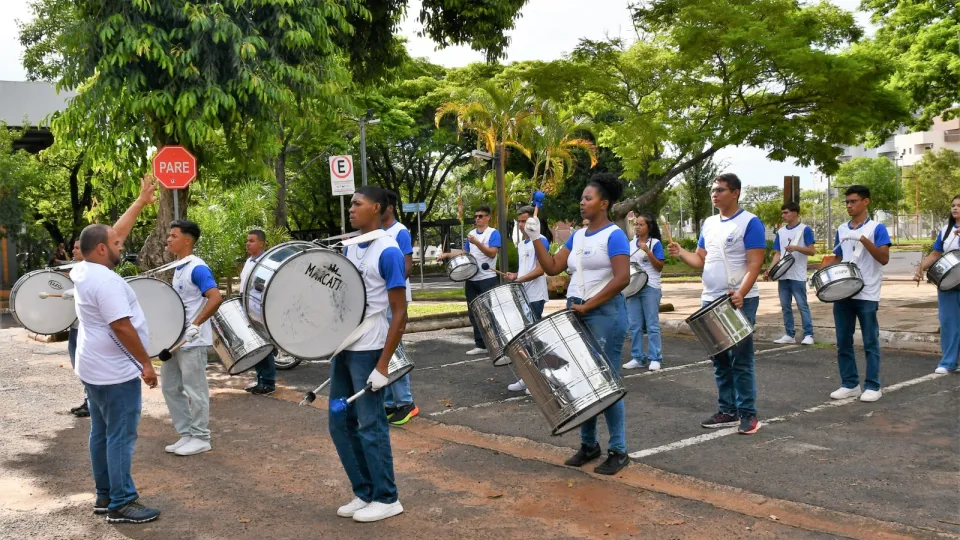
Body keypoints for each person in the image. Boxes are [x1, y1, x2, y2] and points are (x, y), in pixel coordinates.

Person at [525, 173, 631, 475]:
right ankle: (588, 445)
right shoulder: (579, 235)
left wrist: (589, 305)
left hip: (605, 313)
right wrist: (536, 238)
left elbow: (622, 278)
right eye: (582, 198)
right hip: (577, 311)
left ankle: (618, 449)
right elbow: (553, 267)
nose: (582, 203)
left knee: (605, 382)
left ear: (604, 203)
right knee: (583, 380)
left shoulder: (615, 235)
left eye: (588, 198)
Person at [69, 173, 161, 523]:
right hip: (114, 371)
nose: (122, 244)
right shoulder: (105, 280)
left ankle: (104, 495)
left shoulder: (84, 268)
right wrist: (147, 364)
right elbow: (121, 326)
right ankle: (121, 502)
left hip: (93, 366)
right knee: (121, 436)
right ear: (103, 250)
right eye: (117, 244)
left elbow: (113, 233)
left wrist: (139, 203)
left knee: (102, 432)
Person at [331, 185, 407, 523]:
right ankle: (364, 492)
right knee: (339, 421)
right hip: (345, 348)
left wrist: (383, 365)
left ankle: (387, 497)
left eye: (357, 204)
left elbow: (399, 312)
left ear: (377, 208)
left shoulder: (388, 252)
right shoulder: (350, 249)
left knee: (371, 424)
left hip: (369, 349)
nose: (351, 209)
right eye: (350, 204)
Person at [668, 173, 765, 435]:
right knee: (719, 359)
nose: (715, 194)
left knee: (741, 360)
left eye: (720, 190)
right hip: (710, 299)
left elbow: (755, 263)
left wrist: (741, 293)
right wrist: (681, 253)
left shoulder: (750, 223)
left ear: (735, 193)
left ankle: (748, 414)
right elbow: (700, 259)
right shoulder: (709, 223)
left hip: (737, 300)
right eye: (713, 189)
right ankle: (727, 410)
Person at [820, 185, 891, 402]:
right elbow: (839, 256)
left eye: (854, 201)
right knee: (843, 340)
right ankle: (850, 384)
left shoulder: (877, 228)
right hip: (843, 291)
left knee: (870, 340)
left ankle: (873, 386)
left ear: (866, 202)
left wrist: (862, 239)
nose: (849, 205)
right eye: (847, 202)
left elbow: (883, 258)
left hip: (867, 292)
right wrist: (825, 268)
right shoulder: (842, 229)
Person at [162, 220, 224, 456]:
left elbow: (215, 297)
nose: (169, 239)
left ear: (187, 240)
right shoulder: (180, 267)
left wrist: (196, 325)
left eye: (173, 235)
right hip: (175, 340)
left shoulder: (197, 268)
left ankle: (201, 437)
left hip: (192, 340)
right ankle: (186, 433)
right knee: (170, 387)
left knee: (195, 390)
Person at [437, 205, 501, 356]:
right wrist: (447, 254)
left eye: (480, 216)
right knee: (473, 313)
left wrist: (477, 243)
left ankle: (497, 344)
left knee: (489, 312)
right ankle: (480, 344)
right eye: (476, 216)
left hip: (487, 278)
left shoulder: (493, 233)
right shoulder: (471, 233)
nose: (477, 219)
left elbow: (492, 253)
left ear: (488, 217)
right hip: (472, 278)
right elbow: (466, 252)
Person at [381, 190, 419, 425]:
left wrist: (390, 286)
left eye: (380, 205)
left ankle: (406, 403)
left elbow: (407, 265)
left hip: (394, 298)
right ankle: (388, 402)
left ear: (390, 207)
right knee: (381, 349)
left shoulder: (399, 232)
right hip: (378, 300)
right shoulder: (375, 232)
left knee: (394, 348)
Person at [505, 205, 550, 393]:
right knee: (524, 339)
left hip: (535, 296)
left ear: (534, 220)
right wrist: (516, 275)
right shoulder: (522, 244)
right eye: (520, 221)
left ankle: (538, 380)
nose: (522, 225)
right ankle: (527, 377)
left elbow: (541, 269)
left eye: (525, 221)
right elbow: (526, 269)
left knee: (532, 338)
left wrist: (521, 279)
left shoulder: (541, 241)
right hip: (523, 295)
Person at [915, 193, 960, 374]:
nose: (955, 208)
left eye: (959, 205)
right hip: (949, 282)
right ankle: (948, 362)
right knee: (949, 323)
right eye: (953, 205)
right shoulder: (946, 231)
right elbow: (936, 254)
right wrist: (921, 268)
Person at [768, 202, 816, 345]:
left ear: (795, 213)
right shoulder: (781, 232)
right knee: (785, 306)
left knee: (802, 305)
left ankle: (809, 334)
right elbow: (778, 253)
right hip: (783, 274)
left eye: (786, 212)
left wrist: (796, 248)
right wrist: (771, 269)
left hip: (797, 275)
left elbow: (812, 251)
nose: (783, 215)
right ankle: (789, 334)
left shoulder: (805, 230)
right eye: (782, 213)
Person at [623, 214, 666, 371]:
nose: (637, 227)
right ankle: (638, 357)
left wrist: (648, 251)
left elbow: (659, 266)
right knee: (634, 325)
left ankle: (655, 358)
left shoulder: (655, 243)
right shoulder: (630, 244)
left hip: (650, 287)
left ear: (649, 227)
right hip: (634, 288)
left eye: (641, 224)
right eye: (636, 224)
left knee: (652, 324)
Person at [238, 229, 276, 395]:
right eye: (247, 240)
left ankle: (268, 382)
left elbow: (265, 287)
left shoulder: (266, 262)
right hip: (247, 308)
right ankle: (261, 379)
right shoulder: (249, 261)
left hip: (259, 310)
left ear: (261, 243)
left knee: (263, 346)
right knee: (255, 345)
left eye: (252, 241)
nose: (248, 243)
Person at [68, 239, 90, 417]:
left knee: (88, 367)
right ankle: (87, 400)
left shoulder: (89, 271)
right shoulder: (75, 271)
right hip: (74, 326)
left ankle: (91, 403)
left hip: (86, 328)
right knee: (79, 367)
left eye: (77, 248)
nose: (73, 250)